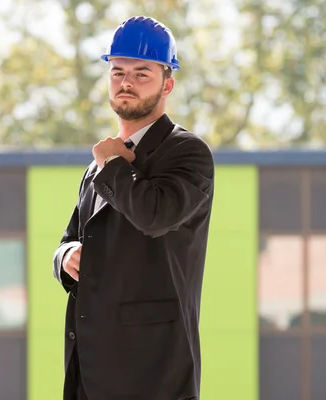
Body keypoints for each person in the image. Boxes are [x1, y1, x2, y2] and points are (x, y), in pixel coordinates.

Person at [52, 15, 215, 400]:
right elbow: (71, 238)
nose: (126, 82)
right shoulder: (99, 165)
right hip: (90, 369)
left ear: (167, 83)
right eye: (118, 71)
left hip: (154, 370)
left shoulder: (187, 152)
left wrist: (114, 164)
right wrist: (65, 257)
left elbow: (155, 216)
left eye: (142, 73)